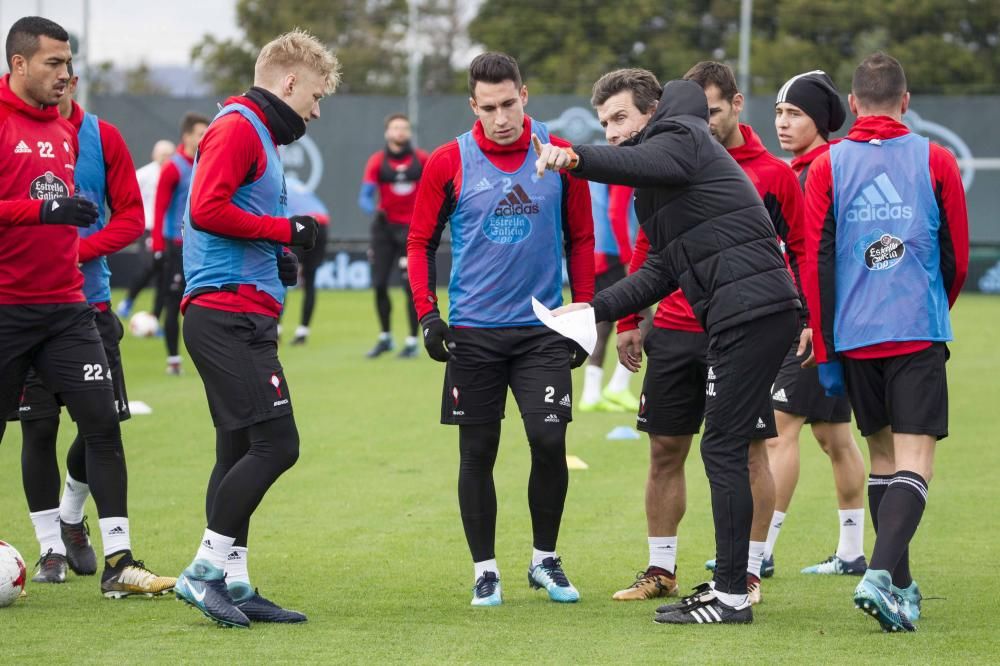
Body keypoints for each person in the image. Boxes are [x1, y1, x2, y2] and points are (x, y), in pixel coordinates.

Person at [536, 71, 800, 625]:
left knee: (724, 450)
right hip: (738, 315)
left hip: (751, 313)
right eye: (603, 123)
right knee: (720, 449)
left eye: (620, 118)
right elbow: (661, 269)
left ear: (652, 113)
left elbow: (649, 163)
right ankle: (725, 586)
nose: (610, 133)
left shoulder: (681, 133)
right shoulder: (652, 185)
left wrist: (571, 157)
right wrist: (593, 309)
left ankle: (731, 595)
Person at [407, 52, 594, 607]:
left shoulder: (558, 155)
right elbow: (418, 243)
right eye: (488, 107)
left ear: (525, 95)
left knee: (548, 439)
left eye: (509, 103)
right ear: (473, 106)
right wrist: (427, 315)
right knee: (478, 452)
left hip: (541, 331)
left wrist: (580, 312)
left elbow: (581, 239)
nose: (501, 117)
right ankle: (485, 569)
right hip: (474, 333)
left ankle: (545, 559)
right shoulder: (448, 161)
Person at [0, 15, 173, 599]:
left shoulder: (77, 131)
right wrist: (42, 214)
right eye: (54, 63)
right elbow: (29, 210)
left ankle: (119, 560)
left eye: (70, 64)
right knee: (29, 431)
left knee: (103, 423)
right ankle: (49, 542)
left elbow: (124, 214)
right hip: (5, 308)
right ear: (18, 64)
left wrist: (73, 240)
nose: (66, 75)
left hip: (71, 309)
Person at [172, 28, 340, 629]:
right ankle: (204, 573)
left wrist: (278, 257)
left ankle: (236, 584)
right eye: (315, 96)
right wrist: (283, 232)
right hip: (226, 315)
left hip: (239, 310)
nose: (316, 111)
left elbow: (232, 217)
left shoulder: (258, 132)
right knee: (279, 445)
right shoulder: (240, 125)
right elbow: (205, 209)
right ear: (289, 81)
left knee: (239, 449)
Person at [800, 52, 968, 632]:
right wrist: (927, 307)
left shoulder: (825, 166)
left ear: (850, 105)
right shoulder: (937, 159)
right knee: (916, 464)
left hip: (854, 336)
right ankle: (878, 573)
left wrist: (827, 349)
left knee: (883, 461)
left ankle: (900, 585)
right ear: (906, 100)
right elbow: (957, 259)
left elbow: (815, 262)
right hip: (915, 330)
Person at [767, 70, 868, 576]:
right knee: (834, 436)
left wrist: (811, 317)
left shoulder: (823, 169)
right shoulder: (807, 167)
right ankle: (852, 552)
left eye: (795, 114)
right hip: (826, 320)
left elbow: (820, 256)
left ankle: (759, 552)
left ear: (822, 121)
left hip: (812, 323)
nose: (783, 122)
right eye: (780, 112)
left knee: (777, 432)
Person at [359, 113, 428, 358]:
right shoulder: (378, 161)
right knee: (378, 284)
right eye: (395, 128)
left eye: (404, 128)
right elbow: (365, 196)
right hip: (384, 229)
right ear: (387, 133)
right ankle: (385, 337)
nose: (400, 132)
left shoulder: (421, 159)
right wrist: (374, 209)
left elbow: (435, 188)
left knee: (411, 287)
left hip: (412, 231)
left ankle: (411, 342)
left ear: (409, 132)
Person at [578, 181, 643, 413]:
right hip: (614, 255)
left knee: (602, 324)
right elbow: (616, 213)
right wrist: (628, 258)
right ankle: (618, 385)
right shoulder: (625, 171)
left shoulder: (601, 169)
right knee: (644, 318)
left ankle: (591, 394)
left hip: (597, 253)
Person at [153, 112, 209, 375]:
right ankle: (173, 360)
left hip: (201, 247)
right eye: (200, 134)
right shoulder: (174, 167)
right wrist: (157, 247)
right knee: (173, 303)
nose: (205, 138)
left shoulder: (207, 163)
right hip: (176, 245)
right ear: (187, 137)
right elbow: (159, 208)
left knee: (204, 304)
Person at [117, 139, 175, 319]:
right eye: (162, 153)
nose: (165, 157)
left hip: (169, 231)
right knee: (149, 266)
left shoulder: (175, 174)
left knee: (165, 274)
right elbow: (128, 196)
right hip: (149, 228)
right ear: (154, 154)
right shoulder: (144, 174)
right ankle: (128, 300)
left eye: (168, 154)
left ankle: (154, 317)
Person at [284, 174, 330, 345]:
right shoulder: (296, 182)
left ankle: (276, 330)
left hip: (301, 224)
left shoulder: (276, 181)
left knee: (283, 277)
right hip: (322, 223)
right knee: (310, 281)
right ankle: (303, 332)